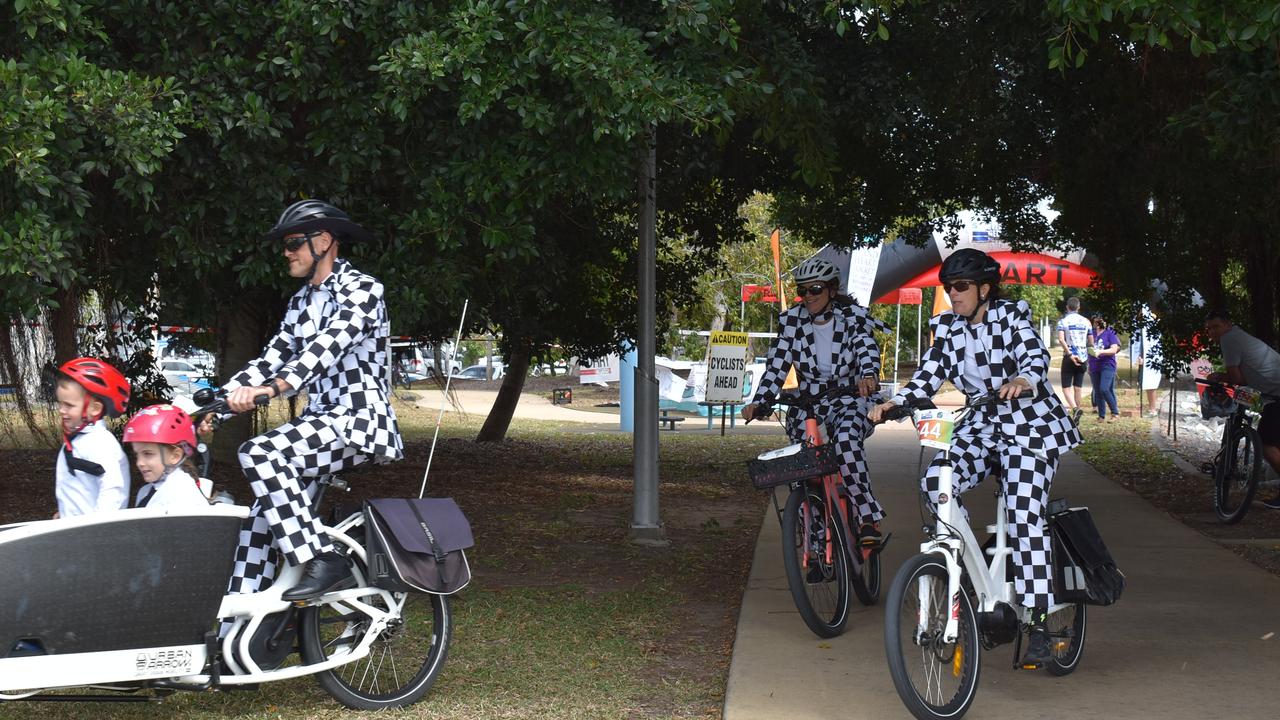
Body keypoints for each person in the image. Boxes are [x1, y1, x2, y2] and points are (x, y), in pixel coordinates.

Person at [869, 248, 1082, 668]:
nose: (954, 294)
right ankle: (962, 557)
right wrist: (895, 403)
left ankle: (1038, 618)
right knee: (935, 482)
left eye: (962, 286)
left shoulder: (1012, 316)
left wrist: (1023, 378)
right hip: (981, 426)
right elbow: (929, 375)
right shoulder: (948, 328)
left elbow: (1035, 357)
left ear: (985, 288)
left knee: (1024, 514)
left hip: (1030, 428)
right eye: (949, 287)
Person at [217, 199, 403, 602]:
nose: (287, 252)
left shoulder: (364, 291)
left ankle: (324, 556)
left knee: (261, 453)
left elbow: (323, 351)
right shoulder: (301, 302)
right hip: (320, 424)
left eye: (294, 243)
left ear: (324, 241)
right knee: (259, 522)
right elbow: (272, 358)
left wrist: (271, 390)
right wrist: (216, 402)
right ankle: (237, 628)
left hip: (358, 422)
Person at [741, 257, 888, 545]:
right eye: (803, 291)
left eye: (816, 289)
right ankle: (815, 540)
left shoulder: (854, 317)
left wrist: (869, 376)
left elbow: (865, 349)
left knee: (846, 440)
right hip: (809, 402)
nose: (808, 296)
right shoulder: (791, 321)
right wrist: (760, 402)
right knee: (800, 464)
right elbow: (776, 368)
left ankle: (867, 515)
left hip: (849, 397)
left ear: (832, 290)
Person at [1203, 309, 1280, 509]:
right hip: (1272, 394)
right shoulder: (1238, 336)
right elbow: (1246, 380)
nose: (1212, 331)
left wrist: (1217, 377)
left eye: (1216, 326)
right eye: (1209, 328)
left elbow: (1237, 380)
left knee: (1266, 443)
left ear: (1228, 324)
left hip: (1277, 395)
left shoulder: (1229, 339)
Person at [53, 357, 132, 519]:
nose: (61, 410)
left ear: (95, 409)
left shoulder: (101, 444)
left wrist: (94, 532)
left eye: (68, 405)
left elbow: (113, 492)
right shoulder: (78, 439)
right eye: (60, 403)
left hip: (90, 538)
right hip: (73, 532)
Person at [124, 404, 210, 509]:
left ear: (175, 456)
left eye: (148, 454)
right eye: (137, 454)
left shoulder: (184, 500)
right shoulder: (146, 491)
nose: (139, 463)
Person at [1056, 296, 1089, 424]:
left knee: (1066, 388)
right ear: (1079, 307)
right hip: (1082, 356)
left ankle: (1075, 409)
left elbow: (1061, 339)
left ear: (1067, 307)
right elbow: (1090, 341)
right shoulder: (1087, 322)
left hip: (1069, 356)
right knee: (1078, 387)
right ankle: (1078, 411)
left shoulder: (1063, 322)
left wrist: (1069, 353)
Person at [1086, 314, 1121, 421]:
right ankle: (1101, 416)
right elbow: (1089, 348)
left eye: (1099, 320)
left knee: (1104, 389)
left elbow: (1114, 349)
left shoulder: (1110, 332)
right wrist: (1088, 364)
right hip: (1094, 365)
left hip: (1107, 364)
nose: (1097, 322)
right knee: (1097, 391)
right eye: (1095, 319)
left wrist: (1101, 351)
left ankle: (1115, 412)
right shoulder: (1091, 333)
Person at [1132, 305, 1162, 417]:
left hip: (1151, 357)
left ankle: (1153, 409)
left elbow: (1151, 343)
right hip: (1144, 356)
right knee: (1145, 382)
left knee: (1151, 383)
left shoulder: (1153, 321)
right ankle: (1151, 408)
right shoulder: (1141, 326)